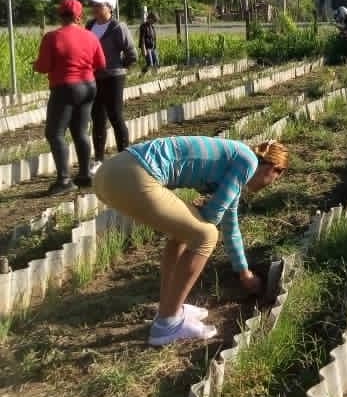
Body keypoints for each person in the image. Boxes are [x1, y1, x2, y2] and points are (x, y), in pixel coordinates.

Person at [93, 136, 289, 346]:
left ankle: (169, 308)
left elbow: (230, 225)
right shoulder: (248, 161)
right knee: (206, 235)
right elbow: (214, 216)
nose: (269, 185)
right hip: (134, 175)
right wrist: (205, 211)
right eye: (275, 179)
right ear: (273, 167)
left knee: (186, 232)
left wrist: (244, 273)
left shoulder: (237, 163)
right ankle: (167, 324)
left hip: (109, 174)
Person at [33, 0, 107, 195]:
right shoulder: (90, 36)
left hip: (65, 88)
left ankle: (64, 180)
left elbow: (43, 67)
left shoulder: (52, 37)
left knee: (55, 133)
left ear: (60, 15)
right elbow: (100, 63)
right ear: (79, 16)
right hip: (89, 86)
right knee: (80, 131)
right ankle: (85, 175)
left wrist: (35, 64)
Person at [85, 0, 138, 171]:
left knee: (115, 115)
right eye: (93, 5)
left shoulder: (118, 27)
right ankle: (99, 159)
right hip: (94, 77)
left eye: (99, 5)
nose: (94, 8)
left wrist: (119, 67)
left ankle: (124, 157)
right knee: (97, 117)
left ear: (109, 7)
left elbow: (131, 53)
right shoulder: (90, 25)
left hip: (114, 77)